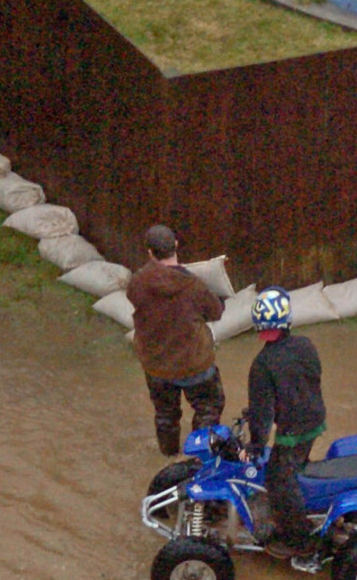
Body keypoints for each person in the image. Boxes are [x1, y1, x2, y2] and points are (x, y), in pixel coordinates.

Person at [126, 224, 225, 456]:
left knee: (165, 415)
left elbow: (136, 300)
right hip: (195, 365)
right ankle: (198, 459)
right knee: (208, 409)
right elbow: (216, 313)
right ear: (176, 246)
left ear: (150, 252)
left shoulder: (138, 283)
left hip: (156, 366)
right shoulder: (194, 286)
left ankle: (168, 456)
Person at [245, 287, 327, 557]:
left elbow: (263, 413)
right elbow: (310, 379)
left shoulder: (262, 364)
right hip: (315, 418)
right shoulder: (307, 345)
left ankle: (300, 541)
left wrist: (256, 445)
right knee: (295, 465)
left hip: (292, 430)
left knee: (278, 479)